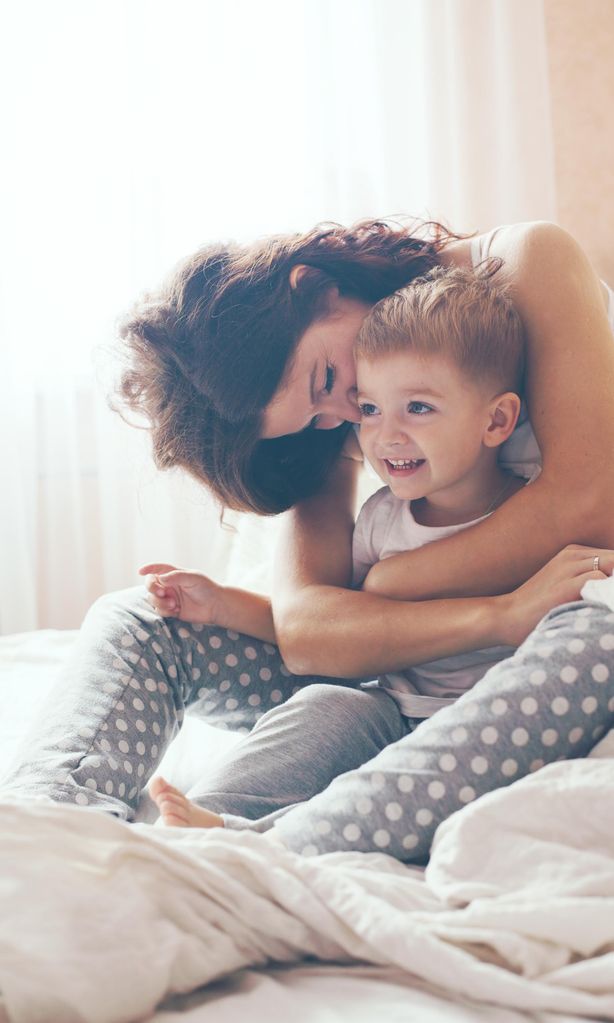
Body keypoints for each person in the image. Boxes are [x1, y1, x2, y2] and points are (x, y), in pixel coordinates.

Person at [3, 219, 614, 865]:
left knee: (599, 634)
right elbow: (309, 629)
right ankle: (45, 829)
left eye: (325, 381)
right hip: (399, 686)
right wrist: (486, 611)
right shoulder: (351, 413)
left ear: (315, 286)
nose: (351, 413)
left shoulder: (521, 264)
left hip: (548, 638)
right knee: (140, 617)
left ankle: (270, 846)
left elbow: (591, 500)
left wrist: (393, 584)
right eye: (321, 417)